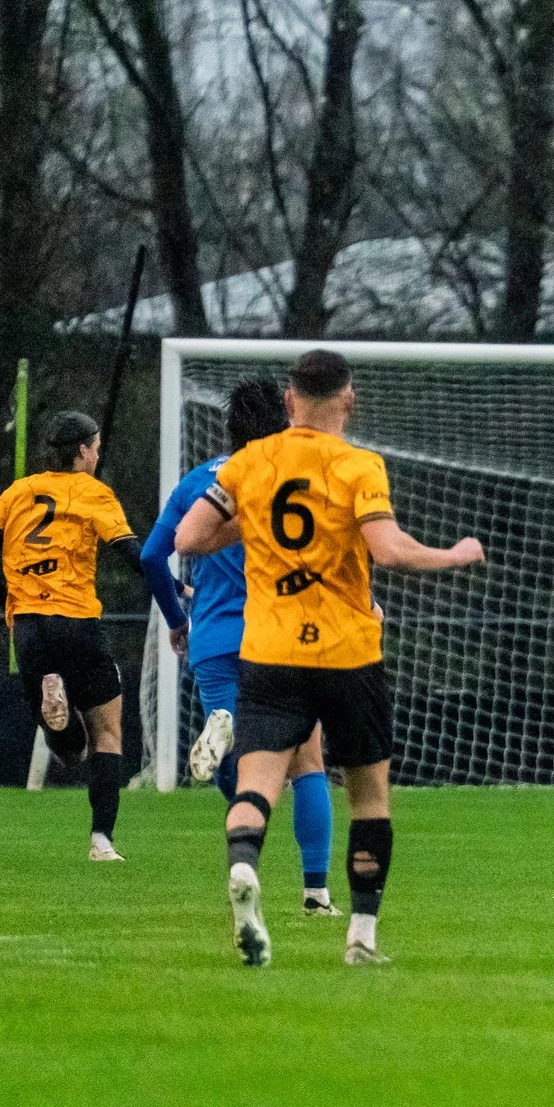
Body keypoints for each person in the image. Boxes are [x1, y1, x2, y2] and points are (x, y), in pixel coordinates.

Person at [175, 349, 484, 968]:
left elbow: (188, 538)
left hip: (269, 655)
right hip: (347, 656)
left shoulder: (248, 462)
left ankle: (244, 868)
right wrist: (453, 553)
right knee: (368, 795)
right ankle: (361, 937)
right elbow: (389, 550)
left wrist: (252, 527)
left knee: (258, 782)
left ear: (289, 402)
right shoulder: (358, 465)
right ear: (350, 399)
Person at [139, 378, 338, 914]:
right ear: (285, 423)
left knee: (243, 768)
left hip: (213, 639)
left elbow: (152, 557)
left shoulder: (202, 484)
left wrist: (179, 619)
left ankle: (225, 729)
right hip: (281, 635)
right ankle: (316, 893)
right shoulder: (295, 481)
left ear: (229, 428)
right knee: (306, 762)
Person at [0, 412, 144, 861]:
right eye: (97, 448)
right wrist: (171, 588)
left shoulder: (19, 491)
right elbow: (129, 552)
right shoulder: (94, 492)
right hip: (77, 622)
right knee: (107, 734)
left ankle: (55, 703)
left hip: (28, 626)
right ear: (82, 451)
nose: (98, 455)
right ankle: (101, 840)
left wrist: (11, 595)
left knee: (67, 748)